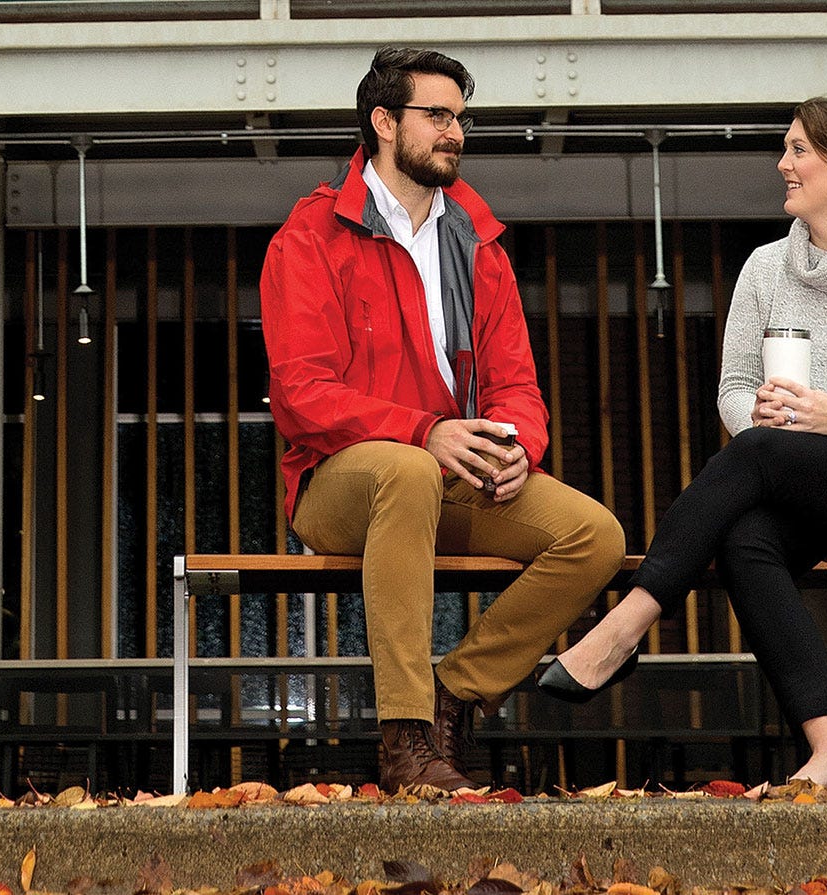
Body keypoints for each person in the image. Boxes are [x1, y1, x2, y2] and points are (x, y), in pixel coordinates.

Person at [536, 96, 827, 788]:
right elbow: (734, 389)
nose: (783, 164)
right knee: (745, 538)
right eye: (787, 148)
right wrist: (765, 421)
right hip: (791, 475)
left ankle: (624, 627)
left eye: (800, 150)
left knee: (762, 454)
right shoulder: (767, 270)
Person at [260, 47, 627, 792]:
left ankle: (453, 692)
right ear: (384, 122)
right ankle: (404, 740)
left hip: (448, 472)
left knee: (594, 536)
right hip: (340, 481)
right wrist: (424, 430)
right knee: (405, 465)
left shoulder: (477, 243)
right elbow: (301, 393)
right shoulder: (310, 237)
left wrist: (517, 443)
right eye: (438, 115)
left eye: (461, 116)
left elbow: (515, 382)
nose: (456, 131)